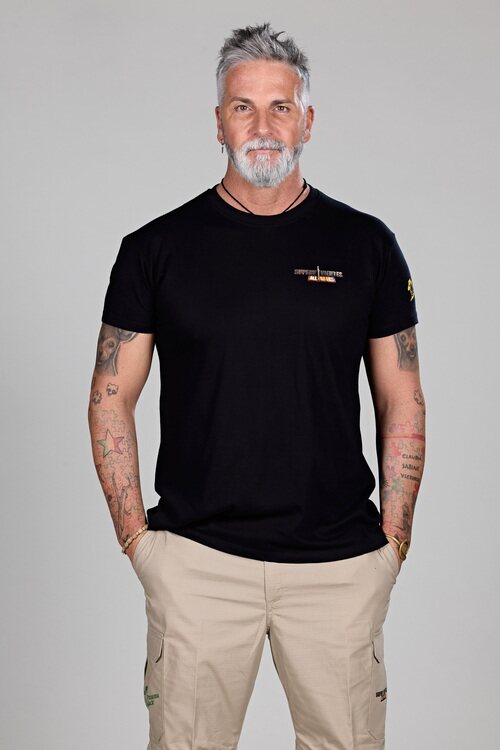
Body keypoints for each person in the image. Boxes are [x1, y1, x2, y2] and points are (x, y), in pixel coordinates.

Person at [88, 21, 425, 750]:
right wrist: (137, 542)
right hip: (197, 565)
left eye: (281, 107)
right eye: (244, 107)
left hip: (338, 568)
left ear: (308, 120)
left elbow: (402, 396)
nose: (263, 126)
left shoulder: (366, 244)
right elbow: (110, 397)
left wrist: (393, 542)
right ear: (219, 121)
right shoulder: (154, 250)